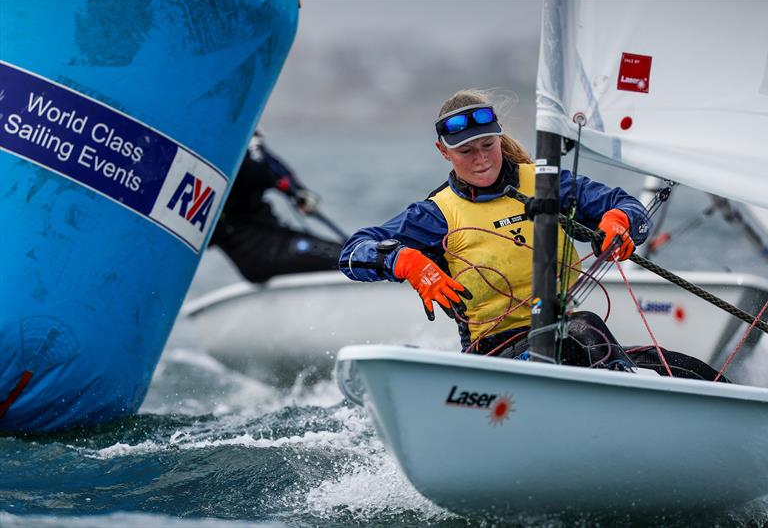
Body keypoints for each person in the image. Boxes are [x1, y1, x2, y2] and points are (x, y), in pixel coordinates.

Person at [339, 89, 726, 381]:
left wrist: (619, 222)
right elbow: (351, 254)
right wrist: (404, 261)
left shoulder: (546, 181)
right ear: (444, 152)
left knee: (689, 369)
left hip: (572, 339)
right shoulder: (435, 214)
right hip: (496, 356)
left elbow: (630, 207)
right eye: (466, 151)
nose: (482, 158)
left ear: (499, 138)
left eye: (488, 145)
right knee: (584, 327)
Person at [210, 132, 342, 283]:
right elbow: (258, 171)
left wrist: (297, 191)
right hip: (263, 250)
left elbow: (272, 167)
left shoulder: (241, 148)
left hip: (272, 242)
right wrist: (253, 144)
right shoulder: (224, 152)